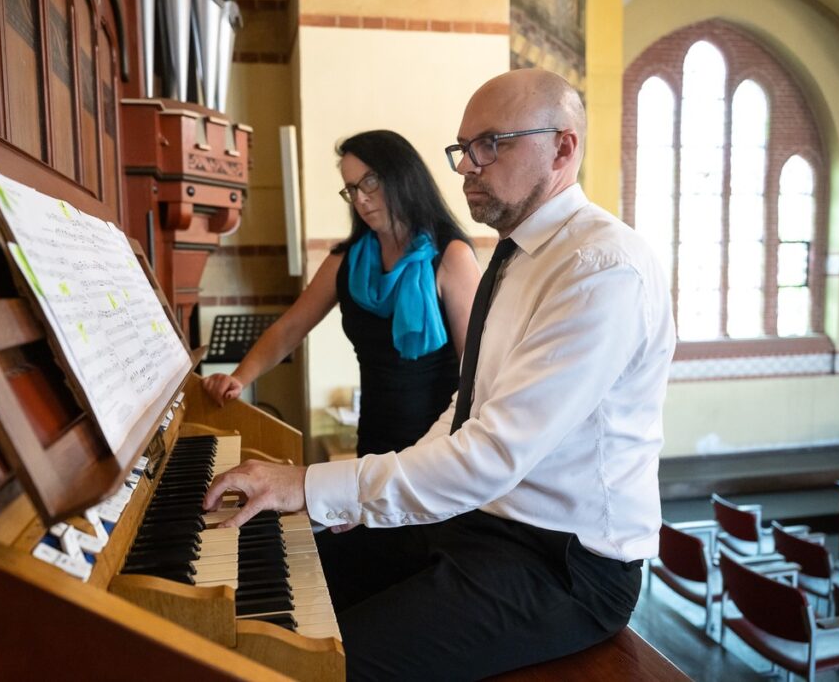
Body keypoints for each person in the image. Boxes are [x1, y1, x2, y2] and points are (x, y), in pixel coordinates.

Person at [203, 68, 676, 680]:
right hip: (483, 520)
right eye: (463, 149)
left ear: (563, 146)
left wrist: (311, 484)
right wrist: (343, 500)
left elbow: (492, 454)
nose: (467, 167)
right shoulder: (515, 253)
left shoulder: (601, 269)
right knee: (298, 578)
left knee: (332, 665)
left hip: (566, 563)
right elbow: (467, 406)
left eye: (491, 145)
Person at [202, 129, 480, 456]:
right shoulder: (346, 261)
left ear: (401, 176)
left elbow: (475, 371)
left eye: (369, 182)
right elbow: (289, 329)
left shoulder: (451, 257)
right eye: (351, 188)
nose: (360, 198)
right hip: (374, 442)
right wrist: (239, 378)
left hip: (438, 448)